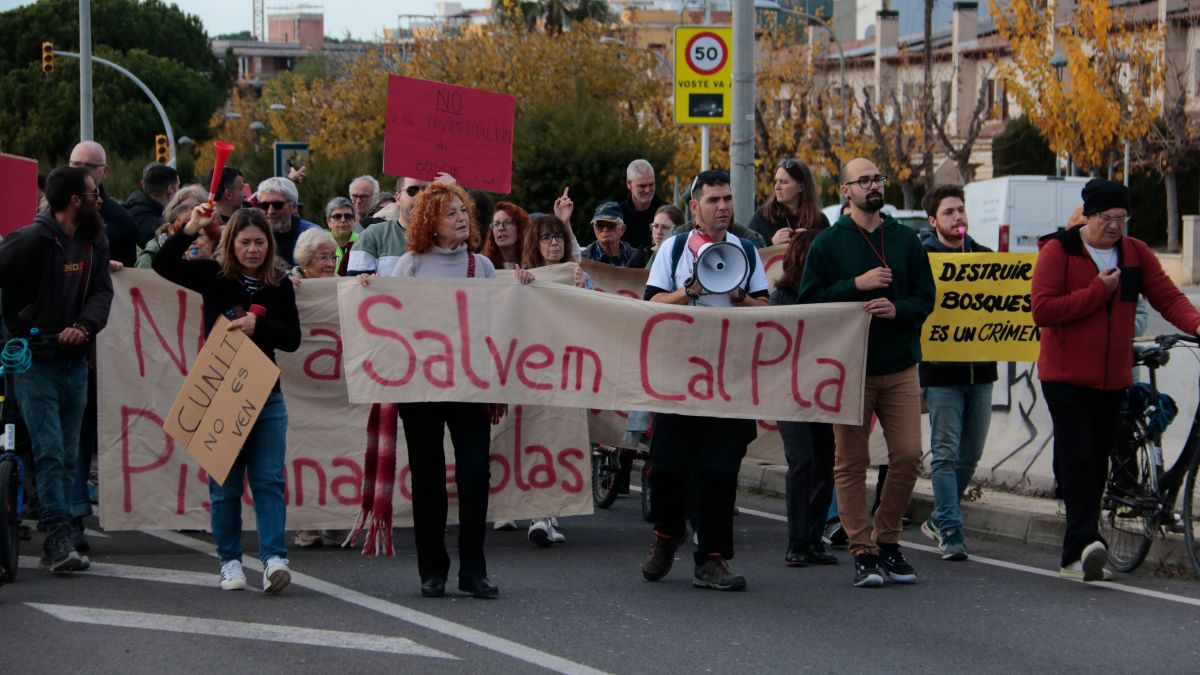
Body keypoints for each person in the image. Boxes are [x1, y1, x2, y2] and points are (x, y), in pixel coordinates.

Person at [360, 182, 533, 599]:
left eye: (463, 212)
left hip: (470, 385)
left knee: (475, 473)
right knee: (429, 476)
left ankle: (473, 570)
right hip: (421, 387)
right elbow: (395, 317)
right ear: (430, 223)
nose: (460, 219)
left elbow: (500, 317)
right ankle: (432, 569)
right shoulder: (411, 264)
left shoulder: (483, 267)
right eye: (450, 213)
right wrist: (369, 290)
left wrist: (522, 285)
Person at [1031, 178, 1200, 583]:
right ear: (1087, 216)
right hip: (1065, 378)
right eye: (1107, 218)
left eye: (1121, 218)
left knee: (1100, 463)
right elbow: (1043, 310)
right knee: (1080, 460)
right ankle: (1080, 551)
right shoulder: (1059, 251)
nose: (1114, 226)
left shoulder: (1135, 254)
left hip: (1111, 380)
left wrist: (1197, 323)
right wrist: (1096, 290)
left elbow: (1169, 298)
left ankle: (1087, 545)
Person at [797, 157, 935, 588]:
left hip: (899, 367)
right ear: (845, 191)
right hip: (850, 368)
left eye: (878, 178)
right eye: (864, 180)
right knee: (851, 462)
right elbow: (810, 301)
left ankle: (888, 539)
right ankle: (862, 549)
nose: (873, 185)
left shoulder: (906, 239)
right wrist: (854, 286)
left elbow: (925, 298)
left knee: (909, 455)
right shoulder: (828, 244)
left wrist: (898, 309)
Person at [153, 206, 301, 593]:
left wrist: (259, 326)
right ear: (231, 244)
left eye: (259, 242)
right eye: (244, 242)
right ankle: (230, 562)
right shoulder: (213, 277)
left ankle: (273, 559)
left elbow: (292, 338)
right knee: (225, 485)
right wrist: (189, 230)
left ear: (269, 246)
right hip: (220, 396)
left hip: (266, 397)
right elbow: (163, 265)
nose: (252, 250)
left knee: (269, 479)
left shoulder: (280, 285)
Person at [640, 169, 769, 592]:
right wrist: (689, 292)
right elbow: (651, 304)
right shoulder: (675, 249)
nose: (724, 207)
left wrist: (739, 297)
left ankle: (711, 559)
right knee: (668, 465)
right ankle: (667, 533)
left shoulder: (746, 251)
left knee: (720, 469)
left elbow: (766, 312)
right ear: (694, 208)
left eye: (728, 199)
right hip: (678, 375)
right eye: (713, 200)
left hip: (728, 376)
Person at [0, 165, 113, 573]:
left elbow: (102, 292)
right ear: (74, 202)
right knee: (48, 450)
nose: (100, 197)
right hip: (34, 359)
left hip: (74, 360)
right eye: (92, 191)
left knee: (67, 454)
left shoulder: (93, 241)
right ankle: (56, 534)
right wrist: (17, 327)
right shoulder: (29, 241)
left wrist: (83, 326)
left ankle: (61, 530)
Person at [917, 184, 997, 561]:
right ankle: (950, 527)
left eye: (961, 210)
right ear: (934, 221)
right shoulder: (922, 259)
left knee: (971, 454)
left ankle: (937, 518)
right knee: (945, 453)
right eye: (949, 212)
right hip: (940, 373)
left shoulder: (984, 258)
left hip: (980, 370)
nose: (958, 217)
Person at [769, 228, 838, 567]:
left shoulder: (829, 296)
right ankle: (796, 541)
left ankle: (813, 539)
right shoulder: (782, 298)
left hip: (822, 390)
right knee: (803, 460)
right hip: (789, 391)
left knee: (825, 460)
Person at [69, 141, 137, 267]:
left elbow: (128, 270)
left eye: (90, 166)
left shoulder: (121, 218)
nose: (82, 171)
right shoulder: (52, 210)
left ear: (104, 171)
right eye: (76, 164)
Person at [347, 175, 431, 276]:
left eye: (428, 191)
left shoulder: (445, 239)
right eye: (413, 190)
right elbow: (355, 287)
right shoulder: (372, 236)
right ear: (398, 198)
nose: (421, 196)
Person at [748, 158, 830, 246]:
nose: (777, 187)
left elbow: (831, 252)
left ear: (801, 187)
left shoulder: (819, 220)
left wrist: (813, 240)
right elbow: (748, 250)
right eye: (776, 181)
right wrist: (771, 242)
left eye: (783, 182)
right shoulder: (763, 216)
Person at [136, 185, 208, 269]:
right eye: (183, 208)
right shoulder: (153, 254)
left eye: (197, 209)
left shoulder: (211, 246)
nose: (192, 214)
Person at [256, 177, 319, 266]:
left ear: (293, 207)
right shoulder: (250, 234)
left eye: (277, 205)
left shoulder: (313, 236)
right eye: (264, 205)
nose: (270, 211)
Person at [523, 213, 590, 289]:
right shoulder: (526, 276)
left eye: (559, 236)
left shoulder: (580, 276)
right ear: (535, 244)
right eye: (546, 237)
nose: (554, 242)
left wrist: (582, 288)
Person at [126, 163, 180, 246]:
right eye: (178, 187)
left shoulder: (138, 209)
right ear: (170, 190)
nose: (179, 192)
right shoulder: (154, 223)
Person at [619, 159, 664, 249]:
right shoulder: (618, 214)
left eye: (651, 185)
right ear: (629, 184)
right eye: (642, 186)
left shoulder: (666, 213)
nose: (647, 190)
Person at [629, 204, 684, 269]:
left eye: (665, 227)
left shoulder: (686, 256)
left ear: (678, 230)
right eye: (655, 226)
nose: (658, 232)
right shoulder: (641, 257)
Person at [582, 202, 637, 267]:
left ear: (622, 229)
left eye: (611, 225)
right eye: (600, 225)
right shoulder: (582, 259)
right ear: (594, 229)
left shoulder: (637, 257)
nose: (605, 229)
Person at [482, 201, 530, 270]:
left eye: (507, 223)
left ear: (520, 228)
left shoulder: (534, 263)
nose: (501, 228)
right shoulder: (484, 265)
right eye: (496, 224)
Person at [323, 196, 359, 276]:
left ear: (354, 220)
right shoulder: (320, 243)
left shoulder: (362, 241)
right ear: (328, 222)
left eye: (348, 216)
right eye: (337, 216)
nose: (343, 220)